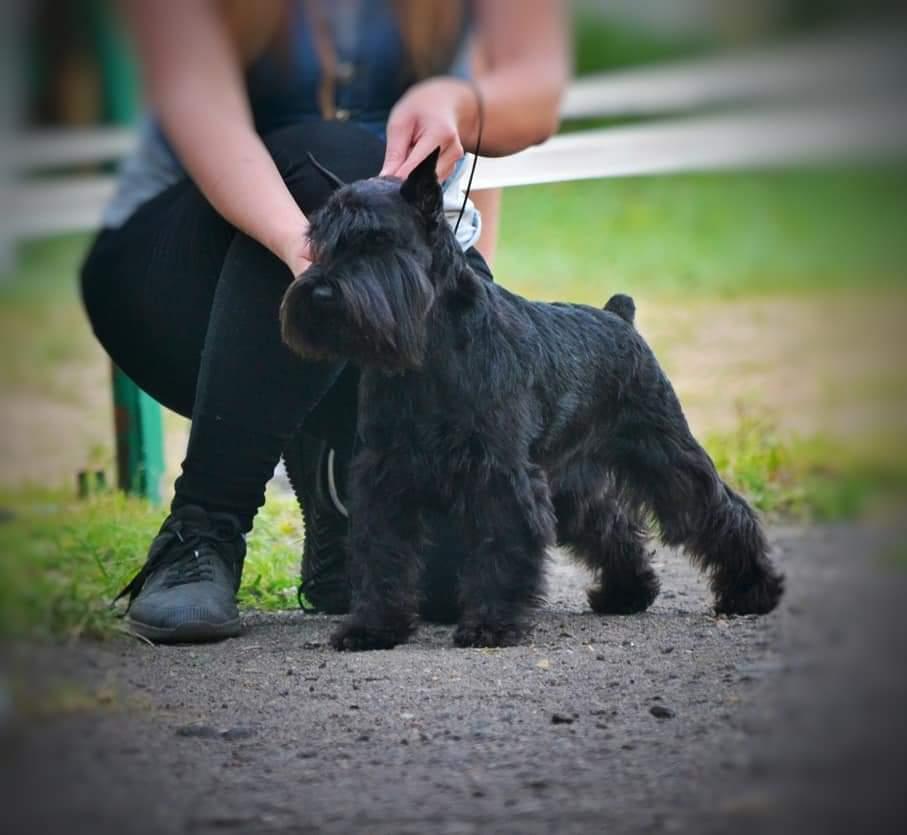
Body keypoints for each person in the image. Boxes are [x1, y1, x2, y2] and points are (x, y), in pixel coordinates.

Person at [80, 0, 568, 643]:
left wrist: (459, 103)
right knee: (336, 159)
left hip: (391, 278)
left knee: (450, 586)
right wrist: (310, 253)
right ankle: (202, 529)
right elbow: (196, 102)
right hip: (181, 272)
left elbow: (532, 99)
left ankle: (340, 482)